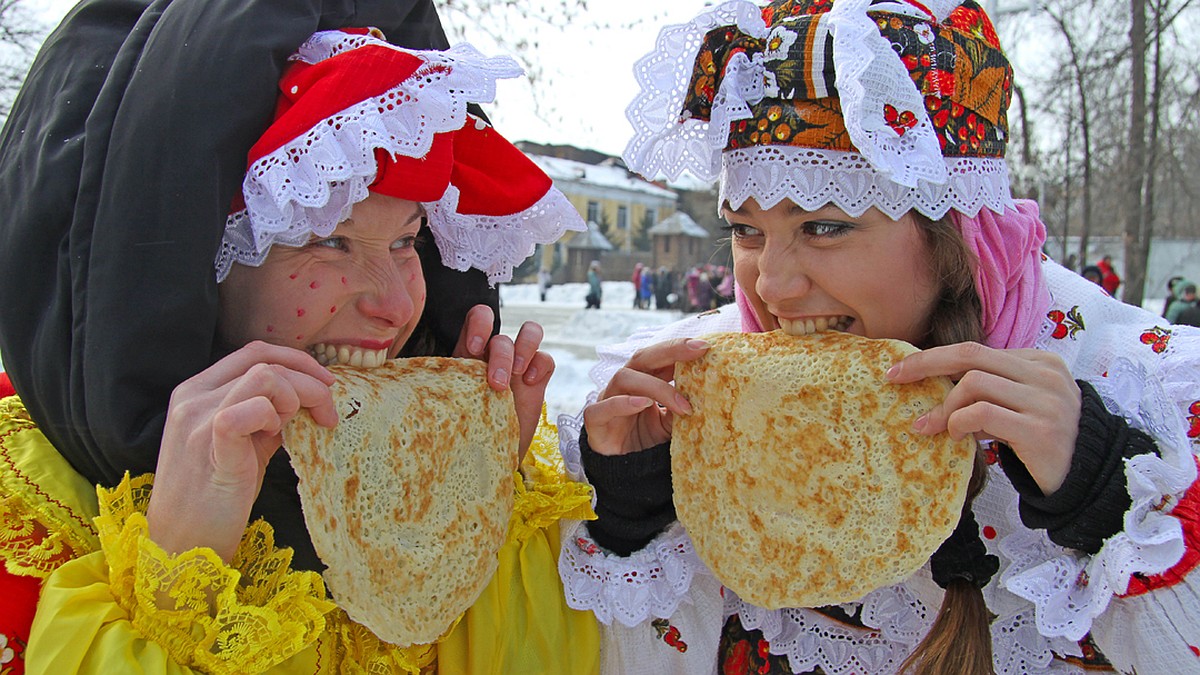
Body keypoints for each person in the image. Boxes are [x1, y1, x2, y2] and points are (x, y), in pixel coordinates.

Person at [555, 1, 1200, 673]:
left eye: (824, 226)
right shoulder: (686, 401)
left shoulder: (1148, 395)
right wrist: (635, 513)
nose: (770, 286)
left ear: (957, 235)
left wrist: (1107, 494)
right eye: (746, 229)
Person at [0, 5, 600, 673]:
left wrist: (471, 504)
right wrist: (174, 586)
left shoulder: (461, 455)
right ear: (190, 268)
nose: (397, 304)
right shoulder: (27, 520)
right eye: (330, 241)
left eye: (407, 240)